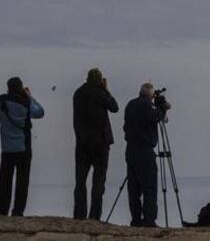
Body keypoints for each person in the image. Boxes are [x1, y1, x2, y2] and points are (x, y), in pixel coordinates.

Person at [0, 76, 45, 216]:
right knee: (22, 180)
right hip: (23, 147)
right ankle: (18, 211)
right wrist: (30, 97)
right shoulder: (26, 103)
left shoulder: (2, 100)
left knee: (5, 180)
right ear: (21, 88)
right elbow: (40, 112)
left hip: (6, 148)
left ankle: (2, 210)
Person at [72, 68, 119, 220]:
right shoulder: (101, 94)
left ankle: (79, 213)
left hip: (82, 142)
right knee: (98, 180)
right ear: (100, 80)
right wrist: (106, 89)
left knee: (80, 181)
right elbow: (114, 107)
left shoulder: (78, 93)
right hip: (100, 142)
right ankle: (94, 215)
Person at [124, 83, 168, 227]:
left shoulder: (130, 104)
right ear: (151, 95)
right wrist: (162, 108)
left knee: (134, 188)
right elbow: (156, 117)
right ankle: (149, 220)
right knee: (149, 186)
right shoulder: (147, 105)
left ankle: (136, 219)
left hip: (131, 149)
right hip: (145, 150)